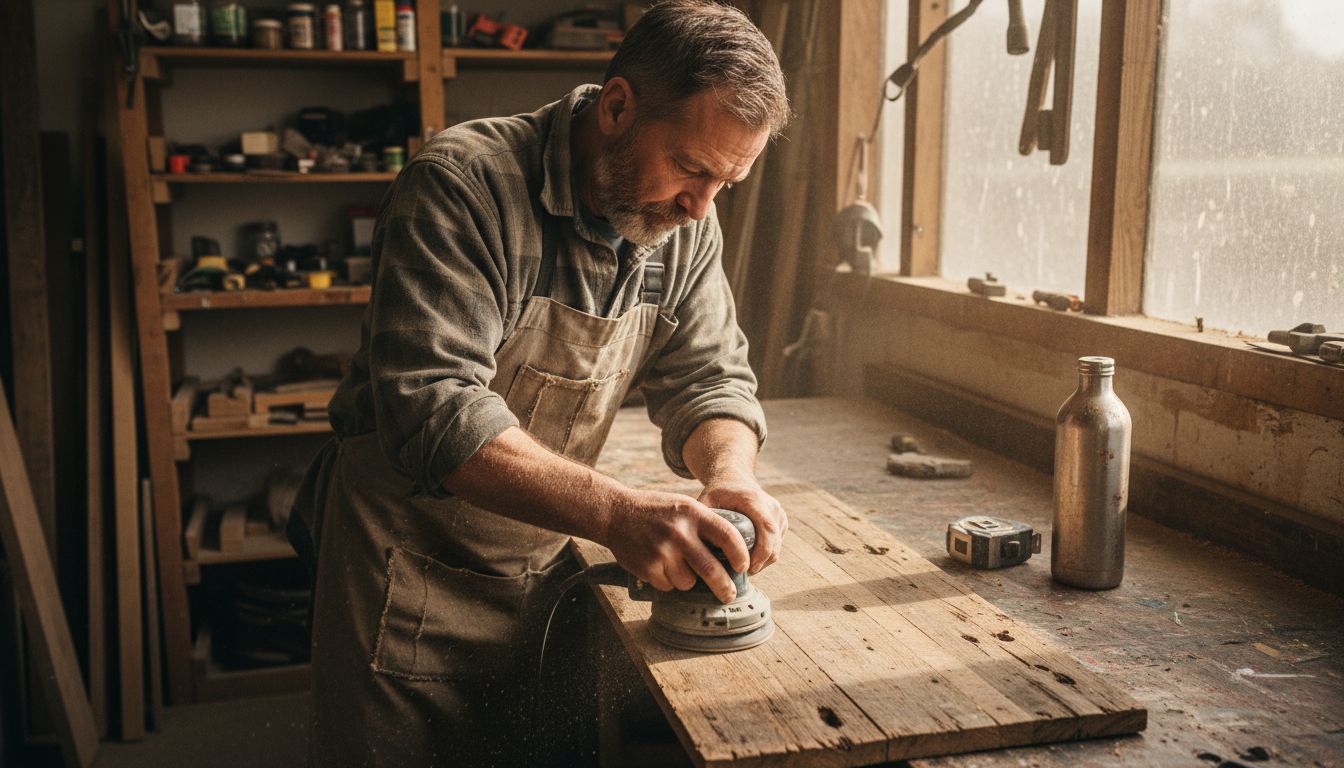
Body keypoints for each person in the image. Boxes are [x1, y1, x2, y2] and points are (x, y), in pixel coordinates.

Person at [287, 1, 790, 764]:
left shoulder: (682, 224)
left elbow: (711, 374)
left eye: (728, 181)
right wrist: (618, 512)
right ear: (617, 106)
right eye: (692, 168)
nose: (700, 206)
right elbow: (434, 406)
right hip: (405, 569)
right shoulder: (464, 186)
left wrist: (730, 476)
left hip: (546, 558)